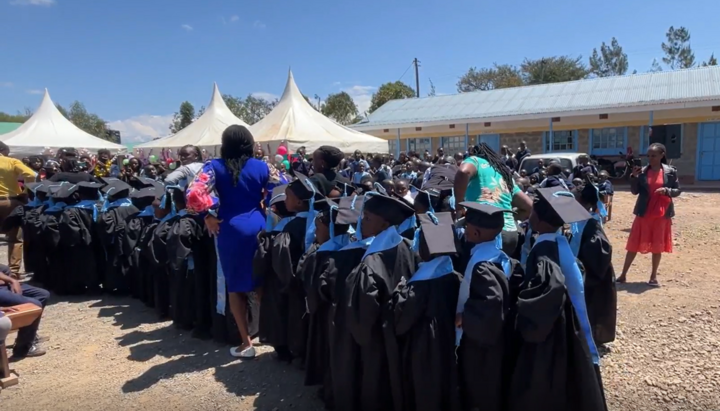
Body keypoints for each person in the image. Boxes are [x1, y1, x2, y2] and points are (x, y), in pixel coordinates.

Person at [512, 187, 607, 411]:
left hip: (557, 325)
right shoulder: (558, 241)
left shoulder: (545, 251)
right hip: (568, 316)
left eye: (533, 211)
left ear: (540, 219)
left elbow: (546, 291)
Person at [186, 125, 270, 358]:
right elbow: (282, 187)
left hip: (230, 228)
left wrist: (208, 216)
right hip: (258, 225)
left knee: (235, 287)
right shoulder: (263, 166)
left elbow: (193, 194)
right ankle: (268, 333)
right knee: (261, 281)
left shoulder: (213, 166)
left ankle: (246, 343)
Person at [456, 202, 522, 411]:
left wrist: (464, 317)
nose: (464, 231)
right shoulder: (502, 257)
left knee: (480, 383)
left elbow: (492, 301)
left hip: (481, 341)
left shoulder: (482, 264)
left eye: (467, 228)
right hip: (499, 334)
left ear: (475, 232)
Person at [393, 211, 462, 411]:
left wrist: (399, 292)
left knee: (426, 387)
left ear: (426, 248)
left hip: (425, 347)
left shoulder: (420, 286)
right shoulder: (456, 277)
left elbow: (403, 320)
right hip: (449, 343)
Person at [618, 143, 680, 287]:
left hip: (661, 214)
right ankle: (623, 275)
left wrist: (666, 190)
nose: (650, 158)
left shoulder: (670, 172)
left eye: (653, 155)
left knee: (657, 246)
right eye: (648, 156)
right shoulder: (643, 172)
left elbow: (677, 190)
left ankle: (653, 277)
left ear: (661, 155)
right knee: (633, 244)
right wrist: (633, 177)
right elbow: (635, 191)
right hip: (644, 213)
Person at [454, 143, 533, 257]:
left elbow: (463, 172)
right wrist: (506, 216)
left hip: (483, 232)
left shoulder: (476, 161)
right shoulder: (504, 174)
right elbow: (529, 207)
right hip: (510, 235)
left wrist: (459, 206)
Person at [573, 179, 617, 345]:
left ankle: (591, 336)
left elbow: (600, 250)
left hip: (594, 271)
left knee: (594, 306)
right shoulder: (579, 221)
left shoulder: (591, 224)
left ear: (583, 203)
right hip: (585, 267)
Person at [0, 142, 37, 277]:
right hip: (9, 201)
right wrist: (25, 190)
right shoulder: (11, 161)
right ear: (3, 150)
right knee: (15, 237)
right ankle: (13, 271)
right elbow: (30, 174)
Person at [0, 265, 50, 358]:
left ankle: (28, 337)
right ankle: (23, 348)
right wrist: (11, 280)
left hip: (4, 284)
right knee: (35, 305)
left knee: (43, 295)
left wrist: (12, 280)